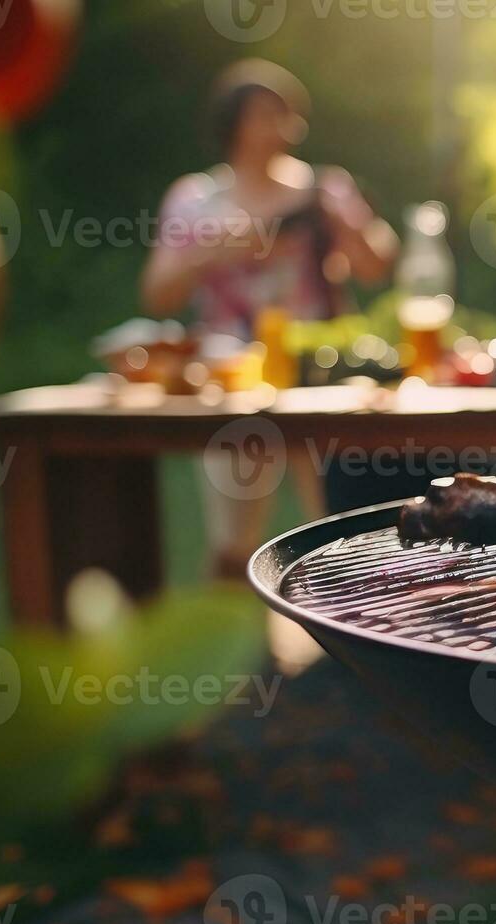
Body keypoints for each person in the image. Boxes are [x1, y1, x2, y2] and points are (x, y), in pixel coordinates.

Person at [140, 60, 397, 577]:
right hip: (232, 378)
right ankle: (240, 645)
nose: (276, 126)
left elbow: (376, 265)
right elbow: (156, 295)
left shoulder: (322, 189)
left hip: (317, 373)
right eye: (262, 114)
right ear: (232, 122)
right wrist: (214, 251)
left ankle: (336, 641)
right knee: (233, 541)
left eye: (284, 114)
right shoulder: (197, 200)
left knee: (343, 534)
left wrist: (350, 228)